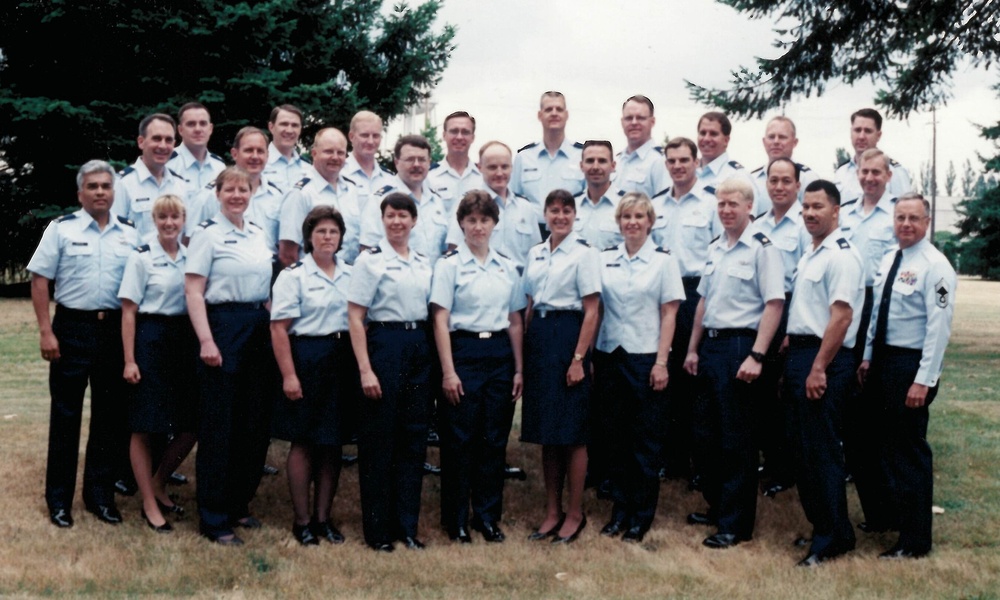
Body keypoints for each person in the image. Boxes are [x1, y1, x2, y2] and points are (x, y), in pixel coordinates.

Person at [28, 160, 139, 527]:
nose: (100, 192)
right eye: (92, 186)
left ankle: (100, 497)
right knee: (66, 416)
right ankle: (59, 501)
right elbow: (40, 281)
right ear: (80, 193)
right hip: (72, 328)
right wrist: (46, 331)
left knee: (109, 418)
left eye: (106, 186)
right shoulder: (61, 230)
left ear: (114, 192)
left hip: (112, 332)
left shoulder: (130, 234)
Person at [683, 177, 784, 549]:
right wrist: (692, 349)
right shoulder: (716, 248)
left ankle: (736, 524)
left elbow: (774, 304)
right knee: (705, 436)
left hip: (741, 347)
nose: (726, 210)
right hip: (709, 347)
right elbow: (703, 304)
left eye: (733, 204)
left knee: (736, 440)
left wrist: (757, 355)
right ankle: (717, 506)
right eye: (721, 204)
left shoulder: (762, 248)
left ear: (748, 207)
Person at [857, 193, 956, 559]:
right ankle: (886, 517)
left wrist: (924, 380)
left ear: (927, 222)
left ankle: (915, 541)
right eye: (900, 217)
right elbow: (878, 313)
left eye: (914, 218)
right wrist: (868, 357)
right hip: (882, 362)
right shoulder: (889, 259)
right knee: (877, 446)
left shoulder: (937, 266)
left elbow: (939, 328)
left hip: (910, 365)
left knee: (907, 452)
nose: (906, 224)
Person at [185, 167, 276, 545]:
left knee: (253, 424)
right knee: (220, 426)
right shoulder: (208, 235)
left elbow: (267, 285)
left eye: (244, 189)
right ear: (218, 193)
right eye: (230, 189)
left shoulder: (257, 232)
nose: (238, 195)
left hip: (258, 325)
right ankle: (214, 518)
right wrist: (206, 340)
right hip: (222, 325)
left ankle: (239, 503)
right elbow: (193, 291)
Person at [431, 191, 526, 544]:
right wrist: (449, 371)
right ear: (461, 224)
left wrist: (518, 368)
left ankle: (487, 517)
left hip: (499, 353)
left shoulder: (506, 266)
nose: (478, 227)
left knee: (493, 439)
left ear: (494, 224)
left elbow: (515, 320)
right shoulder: (449, 266)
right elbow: (440, 320)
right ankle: (455, 519)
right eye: (471, 220)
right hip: (463, 352)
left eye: (484, 220)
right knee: (460, 440)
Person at [347, 192, 434, 552]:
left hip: (419, 347)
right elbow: (355, 315)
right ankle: (379, 531)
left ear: (414, 221)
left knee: (413, 439)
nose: (397, 221)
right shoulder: (370, 261)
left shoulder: (424, 262)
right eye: (391, 215)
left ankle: (406, 527)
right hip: (384, 345)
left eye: (403, 215)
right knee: (380, 439)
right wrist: (365, 369)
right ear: (382, 220)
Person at [784, 179, 864, 567]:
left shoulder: (842, 256)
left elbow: (842, 316)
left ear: (836, 210)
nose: (811, 214)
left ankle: (831, 538)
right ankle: (831, 529)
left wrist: (818, 367)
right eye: (806, 209)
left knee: (821, 453)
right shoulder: (811, 253)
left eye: (818, 207)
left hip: (825, 361)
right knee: (803, 452)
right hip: (801, 355)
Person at [595, 192, 684, 543]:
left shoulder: (663, 262)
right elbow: (597, 309)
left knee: (644, 442)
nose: (632, 222)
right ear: (618, 222)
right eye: (626, 216)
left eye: (639, 216)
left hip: (646, 357)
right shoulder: (604, 260)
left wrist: (662, 362)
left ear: (650, 222)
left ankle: (640, 516)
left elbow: (669, 313)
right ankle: (619, 511)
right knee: (614, 439)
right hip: (610, 356)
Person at [270, 205, 357, 546]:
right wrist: (289, 375)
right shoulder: (294, 276)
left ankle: (323, 518)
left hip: (342, 360)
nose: (327, 237)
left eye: (333, 232)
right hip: (307, 358)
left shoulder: (352, 275)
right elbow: (279, 329)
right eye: (320, 231)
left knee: (332, 441)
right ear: (309, 237)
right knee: (304, 440)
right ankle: (302, 520)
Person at [521, 189, 601, 545]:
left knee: (573, 432)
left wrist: (579, 358)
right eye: (553, 210)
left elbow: (592, 310)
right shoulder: (535, 253)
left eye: (566, 210)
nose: (560, 216)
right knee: (547, 432)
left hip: (569, 336)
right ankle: (551, 511)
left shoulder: (585, 254)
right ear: (546, 214)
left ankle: (574, 512)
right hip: (539, 336)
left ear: (574, 214)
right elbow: (528, 302)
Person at [118, 194, 198, 533]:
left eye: (175, 218)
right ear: (154, 220)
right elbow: (128, 311)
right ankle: (149, 502)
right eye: (163, 218)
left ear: (183, 221)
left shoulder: (192, 256)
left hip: (183, 339)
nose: (169, 223)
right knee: (145, 424)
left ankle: (159, 481)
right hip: (150, 337)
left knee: (192, 422)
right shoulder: (142, 257)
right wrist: (129, 360)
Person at [650, 137, 720, 484]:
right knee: (666, 376)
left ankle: (698, 462)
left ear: (696, 162)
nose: (678, 166)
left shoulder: (711, 204)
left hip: (695, 292)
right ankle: (671, 457)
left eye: (684, 160)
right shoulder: (656, 205)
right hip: (662, 294)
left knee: (694, 377)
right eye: (672, 160)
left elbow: (721, 253)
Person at [748, 158, 811, 497]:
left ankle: (785, 468)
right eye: (774, 180)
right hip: (762, 312)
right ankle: (770, 462)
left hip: (789, 310)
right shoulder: (757, 225)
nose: (779, 187)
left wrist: (792, 327)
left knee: (783, 396)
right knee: (763, 395)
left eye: (787, 181)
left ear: (797, 185)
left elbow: (803, 281)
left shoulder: (803, 227)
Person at [445, 141, 541, 271]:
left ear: (511, 168)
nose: (499, 173)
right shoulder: (466, 204)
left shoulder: (526, 208)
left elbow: (535, 254)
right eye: (492, 167)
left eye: (504, 167)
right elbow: (453, 249)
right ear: (480, 168)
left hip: (519, 284)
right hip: (480, 281)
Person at [188, 127, 284, 255]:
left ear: (267, 155)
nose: (255, 156)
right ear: (234, 154)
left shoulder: (277, 196)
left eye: (260, 151)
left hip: (268, 269)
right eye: (248, 150)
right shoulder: (210, 195)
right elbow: (190, 240)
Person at [278, 128, 362, 267]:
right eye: (328, 151)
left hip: (348, 279)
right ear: (314, 154)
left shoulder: (352, 190)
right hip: (312, 282)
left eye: (340, 152)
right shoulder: (300, 193)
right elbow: (287, 253)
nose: (335, 157)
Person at [359, 135, 448, 261]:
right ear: (396, 162)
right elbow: (367, 250)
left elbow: (444, 250)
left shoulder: (437, 202)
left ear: (429, 163)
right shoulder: (379, 201)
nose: (416, 165)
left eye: (422, 159)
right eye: (410, 159)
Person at [113, 114, 189, 241]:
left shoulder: (180, 185)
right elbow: (113, 235)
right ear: (141, 142)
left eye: (168, 140)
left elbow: (185, 236)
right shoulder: (122, 184)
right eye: (157, 139)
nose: (163, 146)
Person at [511, 92, 585, 215]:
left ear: (566, 115)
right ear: (540, 115)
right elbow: (513, 198)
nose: (554, 113)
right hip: (533, 229)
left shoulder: (581, 156)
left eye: (559, 109)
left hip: (570, 228)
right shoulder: (524, 158)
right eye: (549, 109)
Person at [834, 108, 913, 200]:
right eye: (857, 130)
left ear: (878, 136)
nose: (861, 136)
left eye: (868, 131)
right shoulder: (841, 172)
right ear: (851, 132)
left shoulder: (894, 171)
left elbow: (906, 208)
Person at [749, 116, 819, 214]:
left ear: (794, 142)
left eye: (782, 137)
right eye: (771, 137)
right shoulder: (752, 180)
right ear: (764, 142)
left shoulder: (807, 178)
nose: (776, 141)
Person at [428, 111, 484, 212]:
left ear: (473, 137)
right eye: (454, 131)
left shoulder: (483, 177)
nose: (459, 137)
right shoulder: (429, 176)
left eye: (465, 132)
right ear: (444, 135)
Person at [573, 140, 624, 251]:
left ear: (613, 166)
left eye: (602, 161)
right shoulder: (571, 206)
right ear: (581, 166)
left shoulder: (627, 205)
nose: (595, 167)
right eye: (590, 161)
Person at [166, 102, 226, 194]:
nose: (198, 129)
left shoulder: (219, 166)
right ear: (180, 130)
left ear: (210, 129)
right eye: (191, 124)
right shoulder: (167, 164)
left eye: (203, 123)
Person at [615, 95, 668, 198]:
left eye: (640, 118)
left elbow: (663, 206)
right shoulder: (617, 161)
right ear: (622, 122)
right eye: (629, 118)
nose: (634, 123)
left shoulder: (661, 161)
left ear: (652, 122)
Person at [342, 110, 393, 211]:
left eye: (375, 136)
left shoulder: (390, 179)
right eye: (365, 135)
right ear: (351, 137)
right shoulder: (338, 174)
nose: (370, 141)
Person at [696, 112, 747, 192]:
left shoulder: (738, 177)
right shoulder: (687, 172)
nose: (706, 139)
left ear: (726, 140)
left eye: (713, 134)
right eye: (703, 133)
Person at [263, 104, 310, 192]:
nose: (289, 130)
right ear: (271, 127)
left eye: (295, 125)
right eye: (284, 124)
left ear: (300, 129)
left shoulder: (309, 169)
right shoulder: (256, 164)